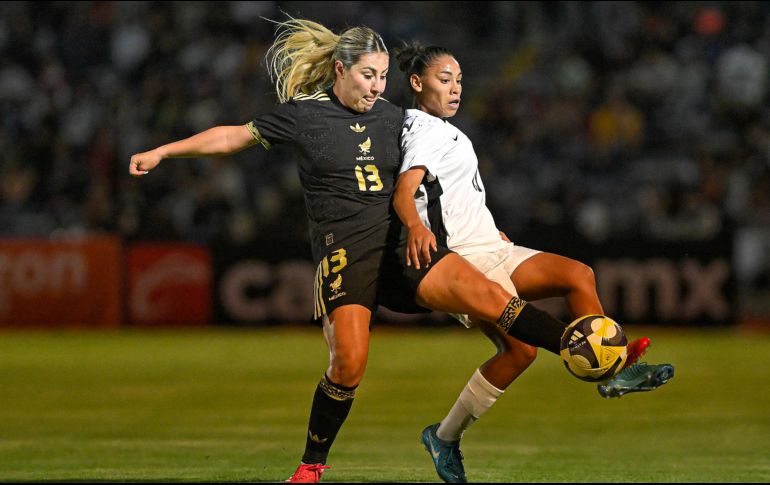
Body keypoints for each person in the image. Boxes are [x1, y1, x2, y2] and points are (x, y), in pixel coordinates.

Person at [129, 19, 641, 484]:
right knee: (348, 365)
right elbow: (231, 137)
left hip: (405, 248)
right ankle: (311, 465)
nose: (376, 87)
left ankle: (595, 358)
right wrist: (163, 151)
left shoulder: (396, 117)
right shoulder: (304, 118)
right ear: (340, 69)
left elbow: (430, 172)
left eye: (380, 77)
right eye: (367, 76)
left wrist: (476, 226)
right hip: (347, 254)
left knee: (489, 297)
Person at [392, 42, 675, 483]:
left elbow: (452, 195)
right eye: (444, 80)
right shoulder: (424, 129)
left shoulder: (442, 128)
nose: (455, 88)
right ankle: (444, 437)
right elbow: (403, 193)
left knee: (578, 276)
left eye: (459, 80)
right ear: (416, 83)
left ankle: (611, 373)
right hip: (466, 263)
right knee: (520, 351)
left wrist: (490, 227)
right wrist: (414, 227)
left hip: (492, 244)